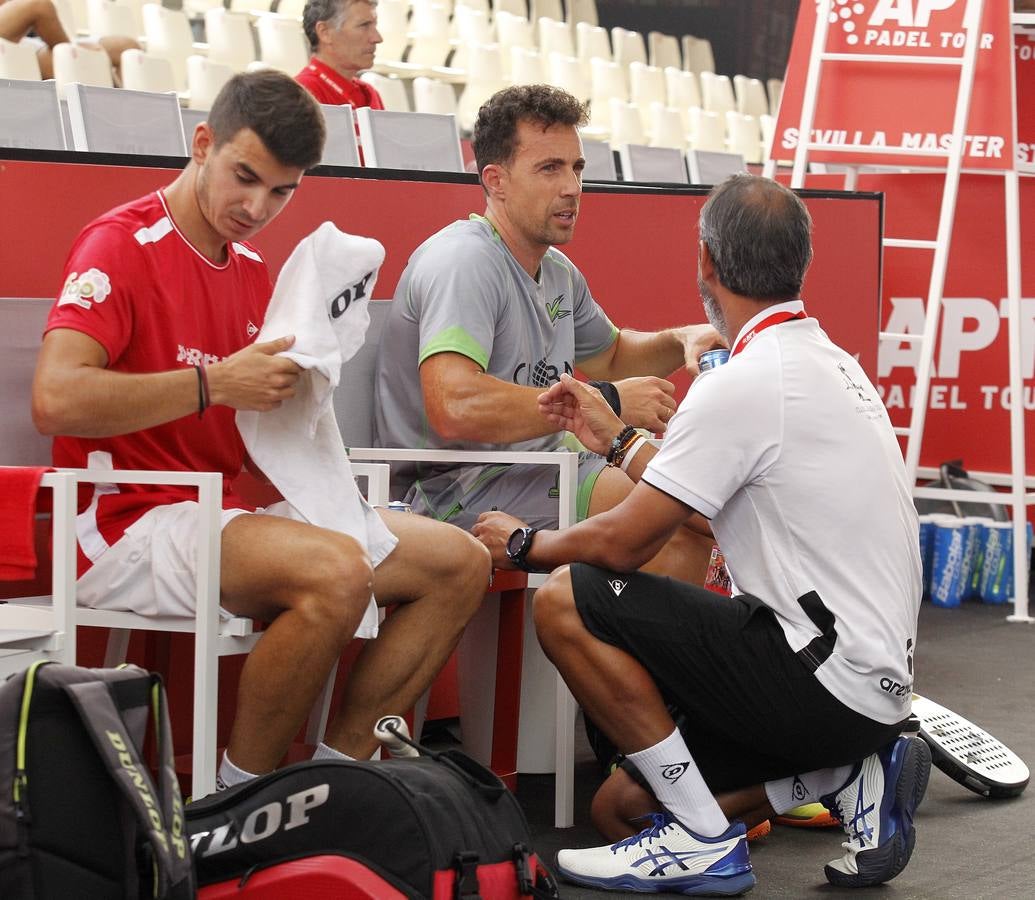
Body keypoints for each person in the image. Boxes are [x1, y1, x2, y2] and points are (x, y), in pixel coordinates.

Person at [32, 70, 489, 792]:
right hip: (122, 522)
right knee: (336, 572)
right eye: (244, 177)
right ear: (202, 143)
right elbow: (55, 399)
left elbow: (261, 422)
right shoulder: (119, 244)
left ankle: (337, 783)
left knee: (456, 562)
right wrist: (214, 385)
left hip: (225, 514)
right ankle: (238, 803)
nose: (256, 207)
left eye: (281, 191)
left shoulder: (251, 269)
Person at [474, 174, 929, 895]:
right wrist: (617, 439)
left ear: (707, 263)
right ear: (797, 263)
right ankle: (844, 772)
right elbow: (693, 506)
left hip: (816, 678)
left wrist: (525, 544)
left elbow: (623, 543)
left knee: (565, 599)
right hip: (872, 690)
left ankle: (703, 839)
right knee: (619, 808)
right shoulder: (832, 364)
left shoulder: (742, 381)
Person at [374, 84, 722, 583]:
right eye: (549, 168)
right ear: (496, 180)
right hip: (449, 491)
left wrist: (680, 339)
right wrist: (605, 403)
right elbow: (453, 405)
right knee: (661, 511)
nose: (572, 187)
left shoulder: (555, 269)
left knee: (682, 495)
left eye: (576, 168)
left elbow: (615, 355)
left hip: (537, 469)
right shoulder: (464, 261)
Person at [0, 0, 138, 81]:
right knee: (39, 5)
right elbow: (39, 7)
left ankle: (120, 111)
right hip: (18, 48)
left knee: (126, 46)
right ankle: (73, 55)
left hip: (28, 44)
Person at [297, 0, 384, 109]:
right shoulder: (301, 94)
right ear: (325, 32)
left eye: (374, 26)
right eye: (364, 26)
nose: (377, 38)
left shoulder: (370, 94)